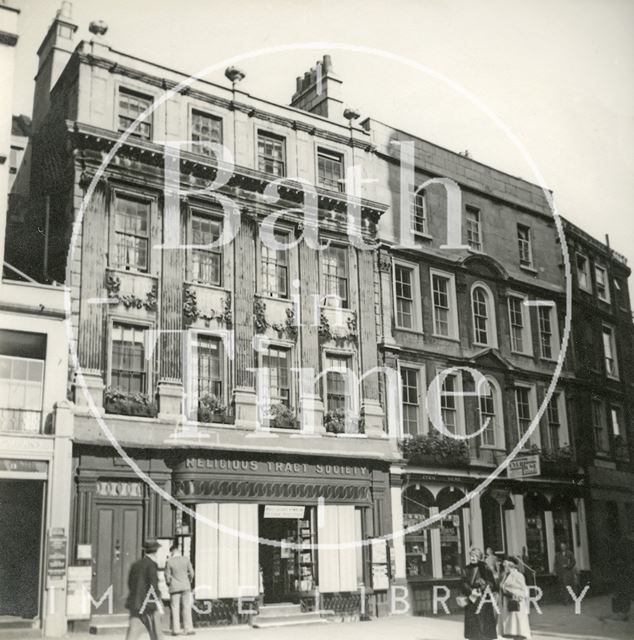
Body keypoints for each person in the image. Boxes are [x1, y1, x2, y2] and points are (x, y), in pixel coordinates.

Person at [125, 539, 164, 640]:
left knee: (133, 633)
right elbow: (153, 586)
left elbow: (130, 583)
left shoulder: (135, 565)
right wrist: (158, 602)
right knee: (156, 633)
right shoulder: (152, 565)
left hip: (135, 603)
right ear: (156, 552)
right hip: (149, 604)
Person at [461, 547, 498, 640]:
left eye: (475, 556)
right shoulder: (466, 568)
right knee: (472, 623)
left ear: (479, 557)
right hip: (472, 599)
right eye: (471, 556)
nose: (472, 558)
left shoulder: (484, 567)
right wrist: (470, 590)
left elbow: (491, 582)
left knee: (484, 623)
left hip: (484, 599)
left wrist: (482, 588)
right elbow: (463, 582)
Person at [165, 543, 195, 636]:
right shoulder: (186, 560)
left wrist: (169, 584)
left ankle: (176, 630)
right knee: (186, 607)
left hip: (174, 588)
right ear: (178, 551)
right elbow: (192, 573)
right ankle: (189, 629)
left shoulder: (169, 561)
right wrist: (188, 581)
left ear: (172, 552)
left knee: (175, 608)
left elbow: (167, 576)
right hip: (186, 586)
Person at [498, 556, 531, 639]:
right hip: (507, 603)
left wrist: (509, 591)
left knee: (517, 629)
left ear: (510, 566)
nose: (504, 567)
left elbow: (523, 591)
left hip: (516, 604)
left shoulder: (518, 575)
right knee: (511, 628)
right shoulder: (505, 575)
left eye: (505, 566)